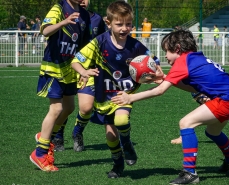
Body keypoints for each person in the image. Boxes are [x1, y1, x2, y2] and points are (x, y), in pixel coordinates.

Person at [111, 29, 229, 184]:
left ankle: (190, 172)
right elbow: (194, 88)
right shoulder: (194, 58)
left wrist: (130, 97)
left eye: (167, 51)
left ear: (177, 48)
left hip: (225, 100)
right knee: (213, 132)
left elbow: (160, 91)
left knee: (186, 123)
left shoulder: (182, 61)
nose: (165, 56)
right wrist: (165, 78)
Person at [70, 0, 161, 178]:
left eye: (128, 24)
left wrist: (156, 73)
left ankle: (127, 144)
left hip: (123, 94)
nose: (124, 28)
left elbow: (153, 62)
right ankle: (118, 163)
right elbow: (76, 61)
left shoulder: (136, 46)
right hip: (103, 93)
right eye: (119, 24)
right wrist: (84, 71)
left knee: (120, 122)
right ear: (108, 23)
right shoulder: (99, 42)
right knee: (111, 136)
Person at [29, 0, 91, 172]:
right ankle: (40, 153)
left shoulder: (85, 15)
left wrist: (84, 70)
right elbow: (45, 30)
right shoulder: (59, 8)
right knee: (56, 109)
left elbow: (85, 46)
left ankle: (45, 136)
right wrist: (63, 22)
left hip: (70, 70)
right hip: (54, 67)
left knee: (69, 107)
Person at [52, 0, 107, 152]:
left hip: (87, 69)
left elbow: (103, 43)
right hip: (67, 68)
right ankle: (57, 136)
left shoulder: (97, 19)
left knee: (86, 108)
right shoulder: (64, 13)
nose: (83, 1)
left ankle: (77, 133)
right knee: (64, 107)